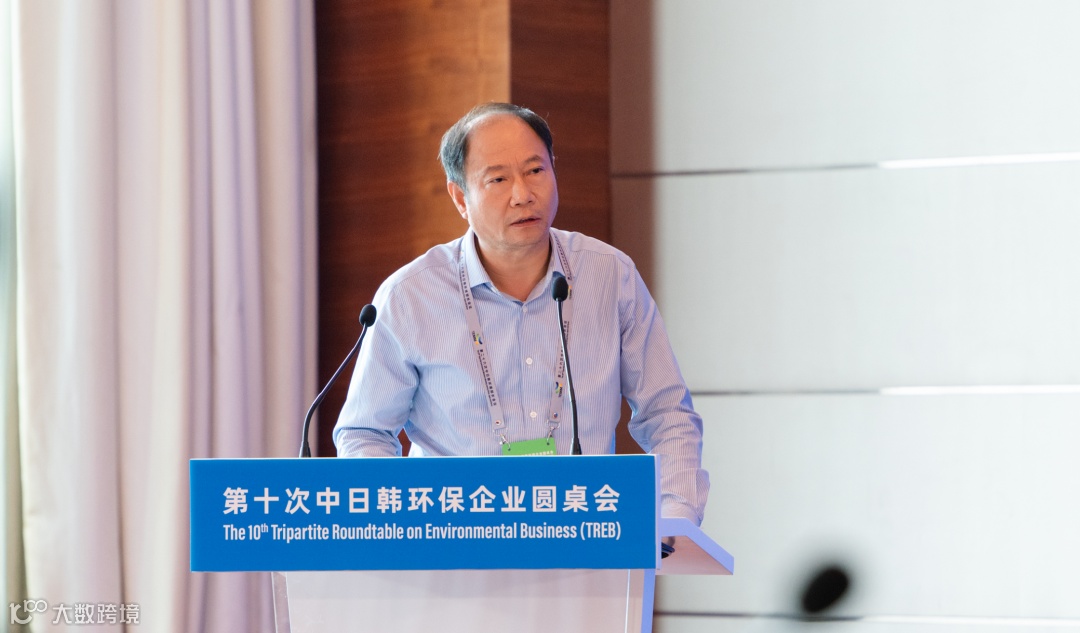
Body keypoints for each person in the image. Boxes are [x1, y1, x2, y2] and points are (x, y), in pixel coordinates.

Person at [333, 102, 709, 525]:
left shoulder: (609, 276)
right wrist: (401, 527)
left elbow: (667, 412)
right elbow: (364, 433)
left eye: (535, 170)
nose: (523, 194)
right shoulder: (410, 296)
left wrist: (674, 517)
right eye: (498, 179)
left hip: (583, 533)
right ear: (460, 197)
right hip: (455, 540)